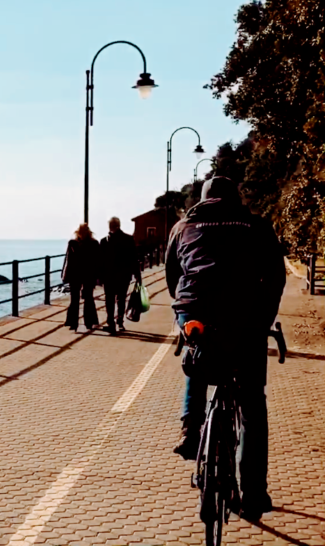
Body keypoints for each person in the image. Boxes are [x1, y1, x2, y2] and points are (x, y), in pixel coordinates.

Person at [165, 176, 286, 523]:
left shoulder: (183, 225)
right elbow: (275, 277)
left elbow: (173, 277)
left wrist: (185, 307)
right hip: (246, 317)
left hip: (196, 310)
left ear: (203, 199)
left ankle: (191, 429)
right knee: (251, 404)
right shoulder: (257, 225)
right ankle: (253, 495)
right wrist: (264, 318)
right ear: (236, 197)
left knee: (197, 357)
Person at [100, 217, 142, 334]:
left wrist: (99, 276)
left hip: (108, 276)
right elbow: (134, 259)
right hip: (124, 275)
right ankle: (119, 322)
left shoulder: (104, 241)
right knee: (121, 299)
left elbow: (100, 261)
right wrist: (137, 275)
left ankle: (111, 323)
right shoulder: (128, 239)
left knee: (109, 300)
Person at [61, 223, 101, 331]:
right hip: (83, 274)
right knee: (83, 298)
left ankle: (79, 323)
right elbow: (69, 259)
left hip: (82, 274)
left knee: (81, 299)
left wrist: (64, 274)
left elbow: (68, 260)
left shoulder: (81, 243)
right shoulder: (91, 243)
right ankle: (83, 322)